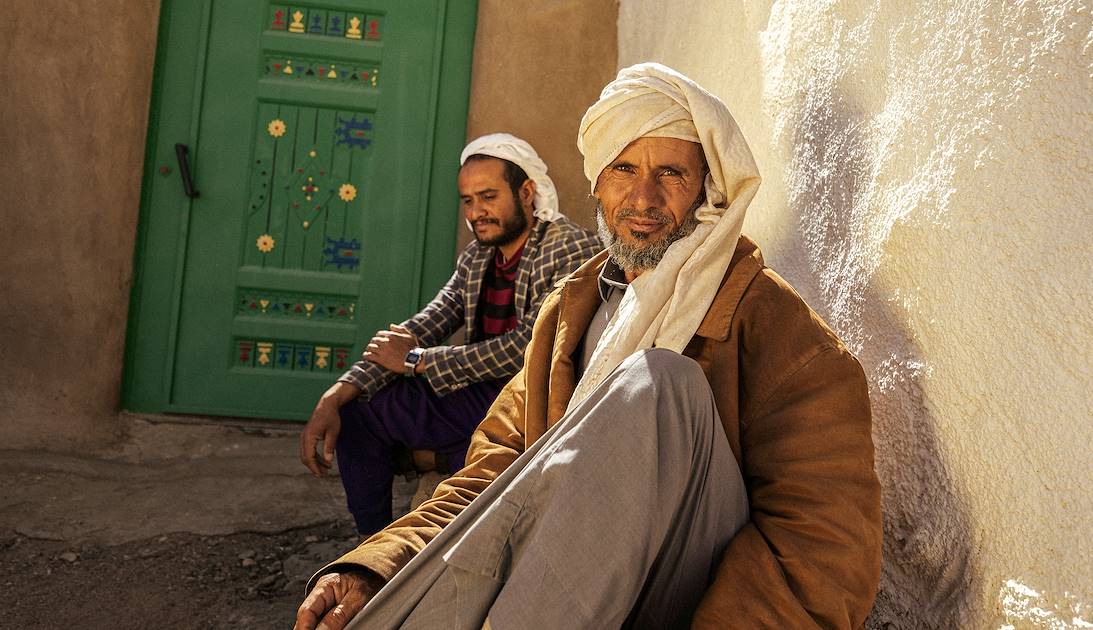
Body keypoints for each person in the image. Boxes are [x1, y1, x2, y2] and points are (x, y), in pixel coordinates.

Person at [295, 64, 881, 629]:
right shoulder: (572, 310)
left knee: (659, 383)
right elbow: (493, 473)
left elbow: (820, 547)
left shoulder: (780, 329)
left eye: (672, 173)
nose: (644, 198)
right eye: (624, 169)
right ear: (598, 183)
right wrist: (377, 567)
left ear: (707, 185)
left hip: (684, 587)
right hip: (569, 574)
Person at [299, 133, 602, 537]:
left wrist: (417, 361)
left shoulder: (567, 247)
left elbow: (530, 345)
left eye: (489, 196)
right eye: (468, 200)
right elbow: (427, 323)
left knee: (513, 456)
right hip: (477, 392)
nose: (477, 212)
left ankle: (440, 457)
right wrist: (338, 392)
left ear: (527, 192)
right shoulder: (478, 256)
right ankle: (371, 545)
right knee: (358, 414)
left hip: (533, 400)